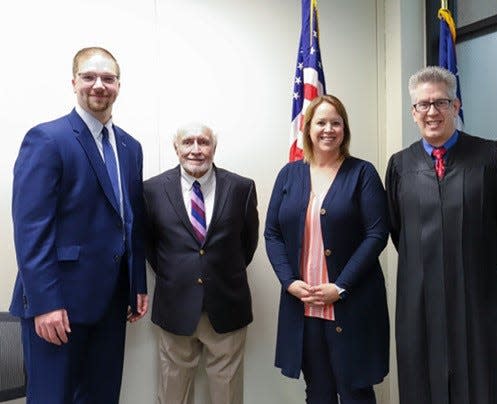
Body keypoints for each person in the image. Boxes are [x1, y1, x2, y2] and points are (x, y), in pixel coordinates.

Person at [9, 46, 148, 403]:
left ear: (119, 85)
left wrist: (136, 283)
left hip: (111, 303)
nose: (99, 85)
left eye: (108, 78)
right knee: (53, 398)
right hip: (59, 306)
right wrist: (45, 303)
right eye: (89, 76)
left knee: (101, 397)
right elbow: (32, 229)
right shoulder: (47, 139)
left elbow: (131, 219)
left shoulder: (131, 148)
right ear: (74, 82)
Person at [385, 66, 497, 404]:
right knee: (422, 380)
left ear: (456, 106)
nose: (432, 112)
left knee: (483, 380)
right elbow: (397, 228)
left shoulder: (490, 156)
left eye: (440, 103)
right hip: (419, 297)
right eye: (423, 105)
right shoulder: (400, 165)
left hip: (478, 294)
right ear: (413, 112)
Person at [264, 94, 390, 404]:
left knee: (355, 392)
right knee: (318, 393)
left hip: (352, 304)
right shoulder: (289, 174)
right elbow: (272, 233)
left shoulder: (363, 173)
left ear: (345, 129)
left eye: (336, 122)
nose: (328, 129)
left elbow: (376, 234)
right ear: (307, 128)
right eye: (321, 122)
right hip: (304, 307)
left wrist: (341, 286)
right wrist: (289, 282)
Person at [144, 123, 259, 404]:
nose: (196, 150)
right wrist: (179, 276)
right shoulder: (152, 190)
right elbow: (149, 246)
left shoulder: (241, 188)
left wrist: (217, 274)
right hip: (175, 307)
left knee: (228, 395)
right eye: (188, 142)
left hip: (227, 306)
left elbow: (248, 244)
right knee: (172, 394)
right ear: (176, 147)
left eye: (204, 142)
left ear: (213, 148)